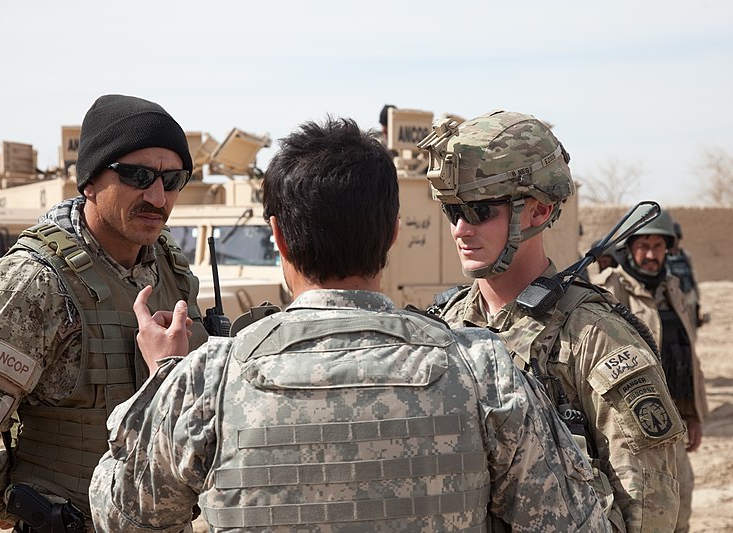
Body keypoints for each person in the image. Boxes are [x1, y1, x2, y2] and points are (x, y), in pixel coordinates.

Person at [89, 117, 610, 533]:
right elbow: (573, 522)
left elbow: (122, 515)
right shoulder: (484, 371)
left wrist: (166, 377)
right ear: (392, 236)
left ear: (279, 237)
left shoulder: (207, 379)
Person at [0, 94, 208, 531]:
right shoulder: (33, 285)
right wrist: (19, 505)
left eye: (173, 179)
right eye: (138, 176)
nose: (157, 196)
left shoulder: (170, 267)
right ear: (90, 181)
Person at [420, 110, 684, 532]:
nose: (461, 229)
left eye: (480, 209)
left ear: (540, 211)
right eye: (453, 211)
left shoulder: (595, 338)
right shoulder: (445, 327)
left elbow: (650, 506)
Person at [593, 209, 709, 533]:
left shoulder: (672, 288)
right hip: (628, 431)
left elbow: (686, 355)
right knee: (642, 516)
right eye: (643, 246)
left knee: (681, 504)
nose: (650, 255)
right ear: (628, 248)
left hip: (672, 423)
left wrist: (694, 414)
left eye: (657, 246)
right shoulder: (609, 289)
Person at [666, 221, 705, 328]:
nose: (675, 240)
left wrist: (697, 301)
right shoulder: (663, 257)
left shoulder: (685, 255)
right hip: (672, 301)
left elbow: (692, 276)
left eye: (677, 237)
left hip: (689, 298)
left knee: (691, 330)